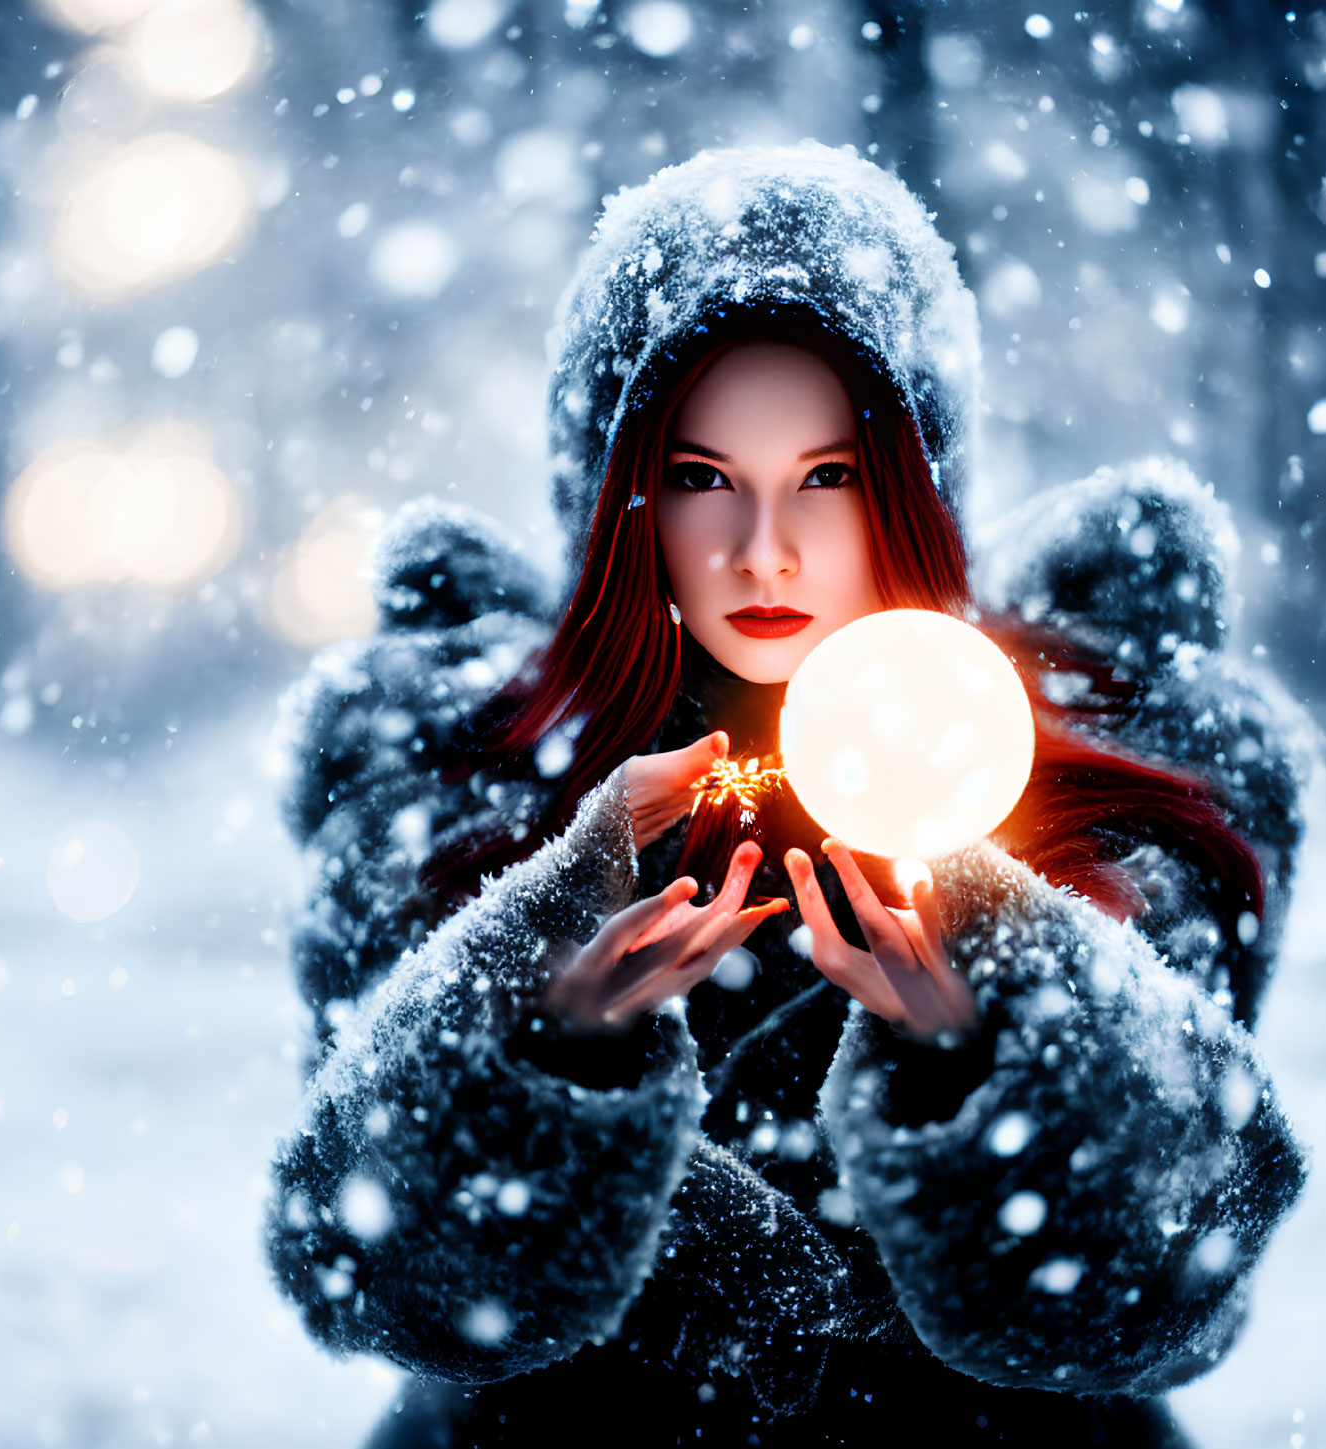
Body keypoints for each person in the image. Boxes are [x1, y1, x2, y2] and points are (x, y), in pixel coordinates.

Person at [265, 144, 1312, 1447]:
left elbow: (1173, 1282)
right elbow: (361, 1264)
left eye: (826, 474)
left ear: (914, 485)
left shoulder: (1110, 784)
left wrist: (989, 1046)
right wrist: (541, 1032)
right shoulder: (448, 784)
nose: (763, 548)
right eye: (703, 475)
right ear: (616, 493)